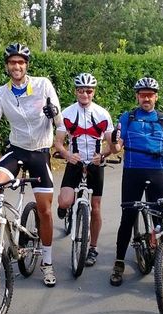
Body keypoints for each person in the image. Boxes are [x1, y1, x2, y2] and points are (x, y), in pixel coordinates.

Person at [0, 43, 63, 287]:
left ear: (26, 65)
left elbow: (61, 124)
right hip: (17, 150)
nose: (17, 66)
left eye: (21, 62)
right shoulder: (1, 94)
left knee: (44, 210)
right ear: (7, 66)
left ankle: (47, 261)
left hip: (40, 153)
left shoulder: (43, 85)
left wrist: (54, 114)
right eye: (12, 62)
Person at [109, 77, 163, 286]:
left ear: (156, 96)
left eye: (150, 95)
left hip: (157, 173)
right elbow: (117, 147)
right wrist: (113, 140)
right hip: (132, 172)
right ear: (137, 96)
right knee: (127, 218)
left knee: (162, 220)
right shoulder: (128, 117)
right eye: (142, 94)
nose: (146, 98)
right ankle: (119, 262)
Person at [54, 73, 114, 267]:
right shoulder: (67, 113)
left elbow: (111, 144)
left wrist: (103, 154)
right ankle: (65, 209)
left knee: (96, 208)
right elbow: (58, 143)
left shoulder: (103, 114)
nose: (85, 94)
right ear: (76, 92)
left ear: (93, 92)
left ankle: (93, 248)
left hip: (96, 164)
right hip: (75, 162)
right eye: (81, 90)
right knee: (64, 201)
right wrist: (67, 155)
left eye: (88, 91)